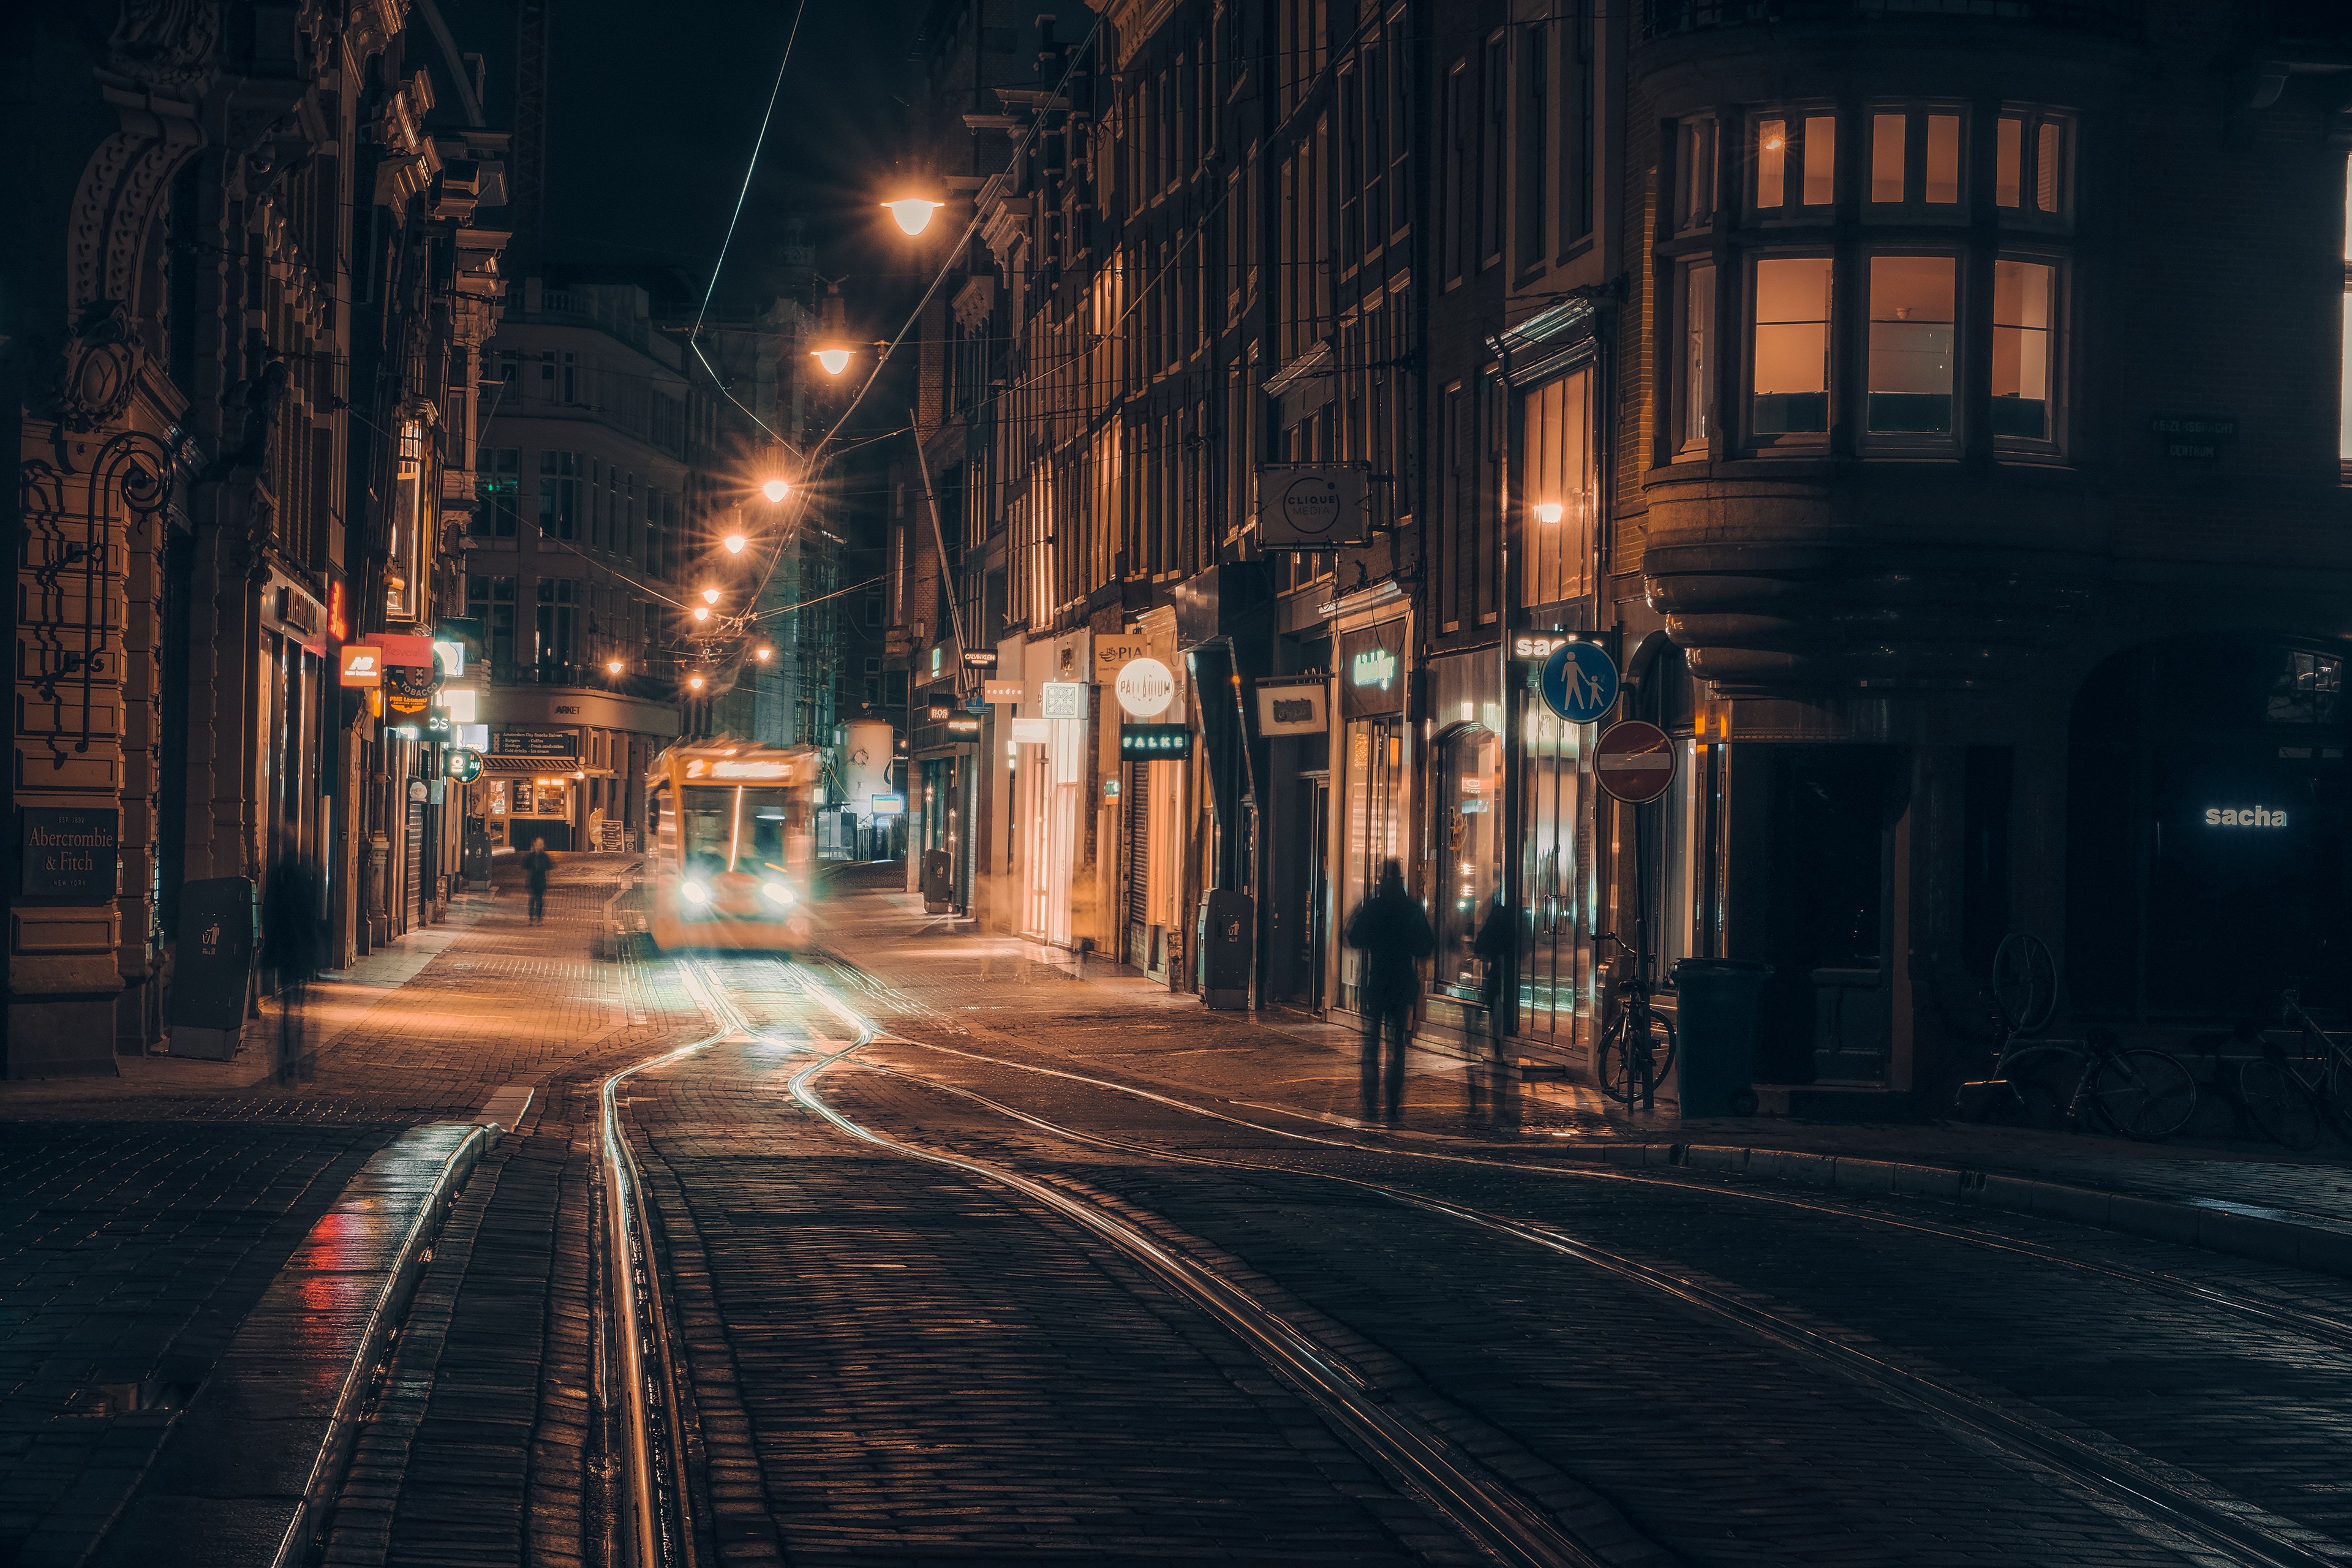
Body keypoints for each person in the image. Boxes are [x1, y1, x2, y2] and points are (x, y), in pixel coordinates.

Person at [1345, 859, 1434, 1123]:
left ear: (1381, 878)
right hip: (1402, 983)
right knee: (1398, 1046)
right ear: (1402, 879)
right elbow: (1426, 947)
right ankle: (1394, 1101)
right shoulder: (1411, 908)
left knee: (1371, 1044)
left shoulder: (1373, 907)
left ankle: (1370, 1099)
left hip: (1378, 982)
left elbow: (1354, 938)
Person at [260, 832, 324, 1084]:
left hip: (284, 950)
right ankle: (294, 1063)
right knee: (296, 1007)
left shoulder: (277, 877)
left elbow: (270, 913)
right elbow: (311, 917)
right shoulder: (305, 877)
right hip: (300, 951)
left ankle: (284, 1062)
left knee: (288, 1008)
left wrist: (269, 950)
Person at [1470, 894, 1519, 1126]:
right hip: (1508, 974)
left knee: (1493, 1007)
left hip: (1498, 973)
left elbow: (1480, 945)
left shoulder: (1494, 918)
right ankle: (1498, 1043)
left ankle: (1496, 1043)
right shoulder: (1513, 920)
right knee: (1497, 1008)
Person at [522, 837, 554, 924]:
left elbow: (549, 866)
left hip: (541, 880)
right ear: (535, 845)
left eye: (541, 845)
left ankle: (538, 918)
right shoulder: (532, 856)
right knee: (533, 899)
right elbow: (525, 865)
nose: (539, 846)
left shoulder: (544, 856)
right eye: (538, 844)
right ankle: (532, 918)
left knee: (539, 899)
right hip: (533, 879)